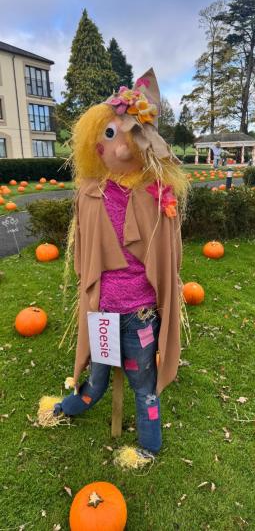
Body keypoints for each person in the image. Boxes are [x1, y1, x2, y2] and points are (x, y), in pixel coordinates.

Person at [38, 69, 188, 468]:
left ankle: (149, 445)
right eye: (108, 134)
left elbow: (169, 253)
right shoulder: (89, 195)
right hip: (103, 312)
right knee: (98, 375)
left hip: (139, 315)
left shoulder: (157, 196)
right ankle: (74, 404)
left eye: (126, 135)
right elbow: (85, 251)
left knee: (142, 383)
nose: (118, 145)